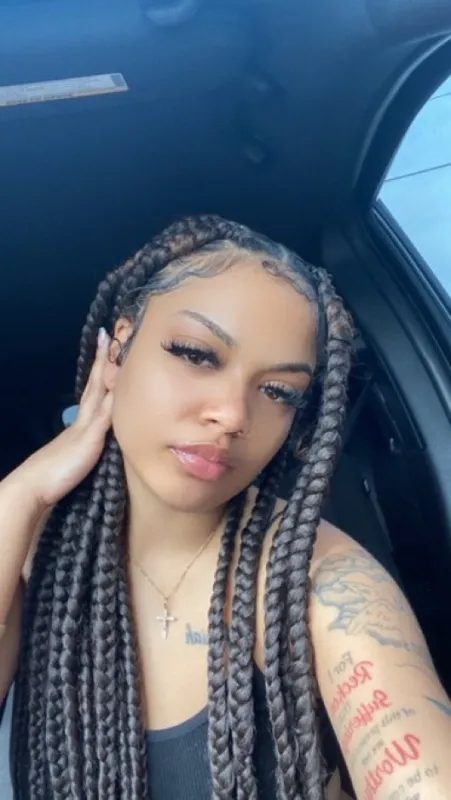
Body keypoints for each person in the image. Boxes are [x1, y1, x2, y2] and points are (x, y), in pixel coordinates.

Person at [0, 215, 450, 800]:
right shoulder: (31, 549)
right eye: (197, 354)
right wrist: (24, 489)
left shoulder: (321, 584)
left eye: (279, 392)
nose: (234, 415)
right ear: (119, 350)